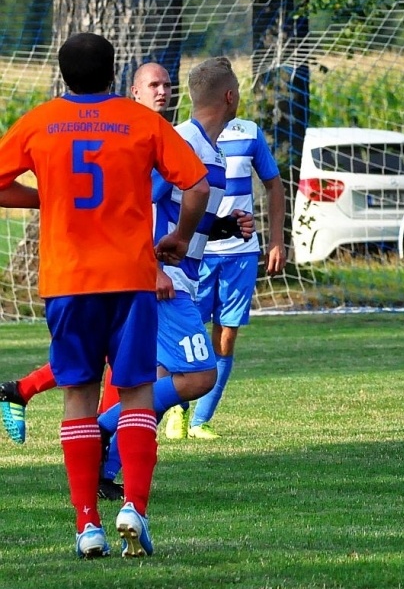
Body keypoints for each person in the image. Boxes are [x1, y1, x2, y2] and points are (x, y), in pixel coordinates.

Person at [0, 33, 211, 558]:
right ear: (115, 73)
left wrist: (44, 198)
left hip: (68, 282)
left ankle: (87, 526)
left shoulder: (40, 121)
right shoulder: (141, 122)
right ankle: (134, 509)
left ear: (63, 75)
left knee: (78, 397)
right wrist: (180, 239)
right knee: (137, 392)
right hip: (131, 278)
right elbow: (197, 186)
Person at [0, 63, 249, 462]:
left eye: (167, 84)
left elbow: (181, 208)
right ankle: (101, 431)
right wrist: (157, 268)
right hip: (152, 274)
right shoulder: (174, 138)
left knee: (125, 364)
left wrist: (223, 227)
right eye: (153, 84)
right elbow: (139, 205)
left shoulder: (198, 143)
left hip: (163, 272)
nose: (162, 91)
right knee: (189, 376)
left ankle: (87, 445)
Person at [185, 58, 286, 439]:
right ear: (229, 95)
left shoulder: (249, 132)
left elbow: (274, 185)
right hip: (196, 252)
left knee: (225, 336)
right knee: (188, 333)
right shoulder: (185, 137)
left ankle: (200, 420)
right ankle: (175, 409)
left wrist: (276, 240)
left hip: (240, 252)